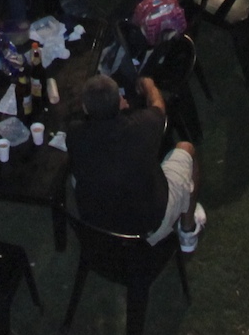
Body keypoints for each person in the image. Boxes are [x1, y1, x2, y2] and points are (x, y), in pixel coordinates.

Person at [70, 72, 205, 250]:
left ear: (85, 108)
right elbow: (158, 106)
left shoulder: (74, 135)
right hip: (147, 227)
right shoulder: (142, 126)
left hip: (102, 232)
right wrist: (149, 86)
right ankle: (188, 231)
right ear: (120, 101)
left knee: (77, 177)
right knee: (187, 149)